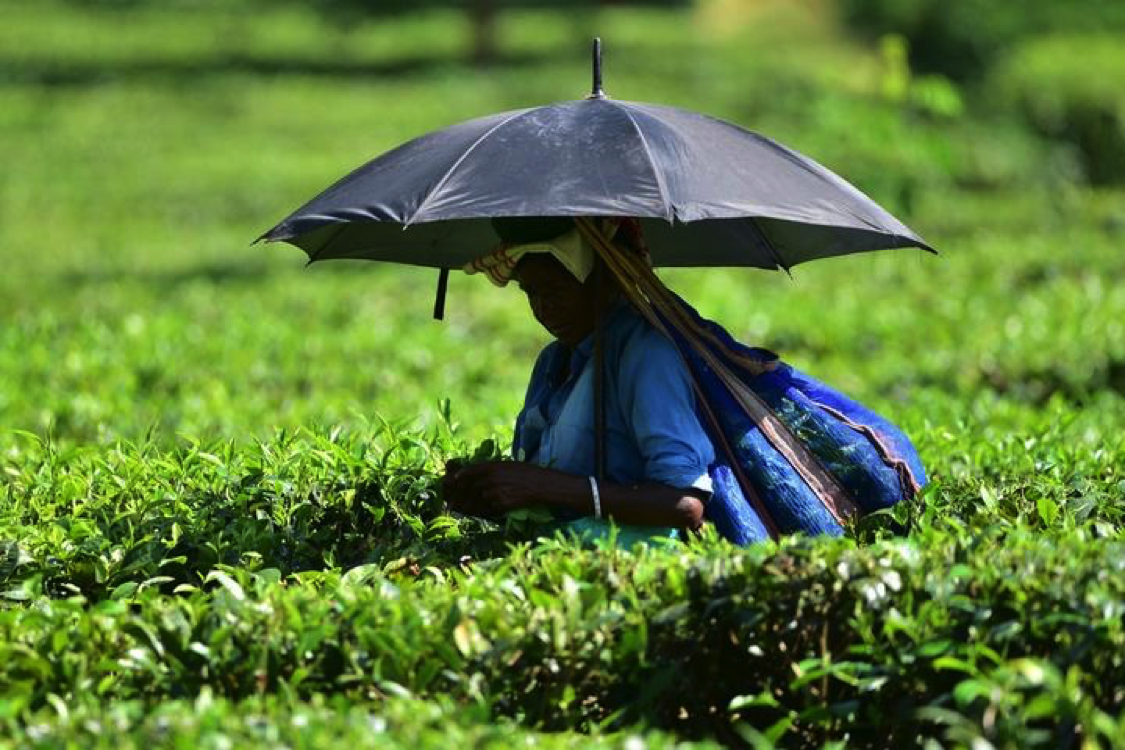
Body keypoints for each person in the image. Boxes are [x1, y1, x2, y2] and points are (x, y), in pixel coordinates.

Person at [442, 216, 714, 543]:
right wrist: (488, 489)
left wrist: (540, 485)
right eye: (532, 293)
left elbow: (684, 506)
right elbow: (548, 493)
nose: (543, 308)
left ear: (606, 280)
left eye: (556, 289)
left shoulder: (644, 354)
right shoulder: (552, 361)